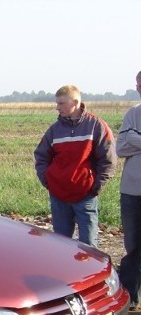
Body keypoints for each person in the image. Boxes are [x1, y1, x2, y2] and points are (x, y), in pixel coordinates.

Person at [34, 85, 116, 248]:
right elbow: (41, 156)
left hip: (85, 195)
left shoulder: (96, 126)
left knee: (89, 245)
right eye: (57, 103)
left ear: (76, 102)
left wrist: (94, 188)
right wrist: (49, 182)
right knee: (60, 244)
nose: (57, 107)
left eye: (61, 103)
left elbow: (108, 160)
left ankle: (91, 273)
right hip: (59, 195)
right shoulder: (54, 130)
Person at [117, 71, 141, 309]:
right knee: (132, 245)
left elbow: (130, 141)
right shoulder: (133, 113)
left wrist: (136, 138)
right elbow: (121, 148)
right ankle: (130, 296)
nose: (139, 88)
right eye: (138, 84)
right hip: (132, 191)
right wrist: (131, 139)